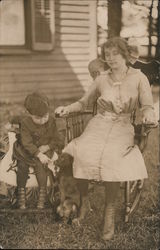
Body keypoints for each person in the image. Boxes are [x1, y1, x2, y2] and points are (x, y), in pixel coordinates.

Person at [55, 37, 157, 240]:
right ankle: (84, 202)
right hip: (99, 124)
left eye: (115, 54)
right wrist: (67, 109)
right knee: (81, 150)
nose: (110, 58)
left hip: (123, 125)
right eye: (107, 55)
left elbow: (147, 104)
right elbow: (84, 102)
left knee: (113, 155)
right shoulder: (101, 78)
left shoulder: (138, 77)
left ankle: (109, 212)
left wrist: (147, 114)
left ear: (125, 54)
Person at [12, 92, 64, 209]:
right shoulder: (25, 123)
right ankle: (21, 197)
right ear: (29, 114)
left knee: (41, 166)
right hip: (27, 150)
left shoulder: (51, 121)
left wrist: (48, 147)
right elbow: (26, 143)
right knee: (22, 166)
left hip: (44, 150)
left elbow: (57, 139)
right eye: (38, 118)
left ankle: (42, 197)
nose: (42, 121)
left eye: (45, 116)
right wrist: (38, 153)